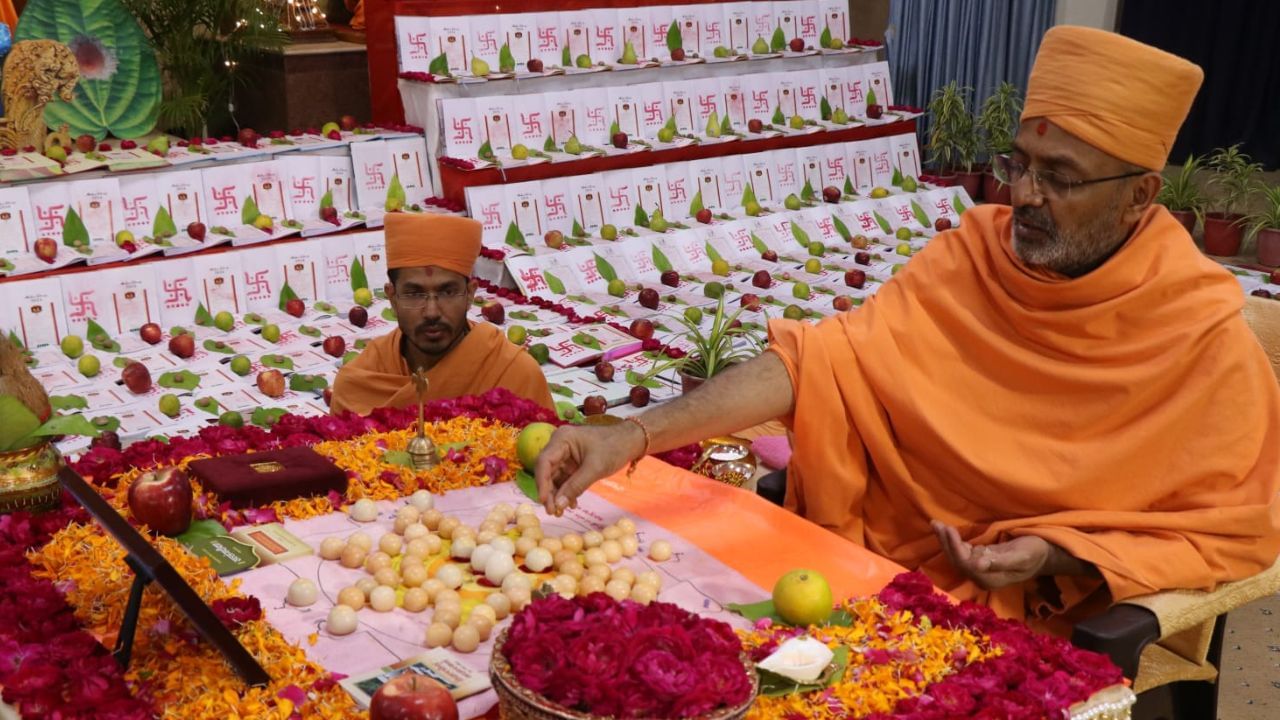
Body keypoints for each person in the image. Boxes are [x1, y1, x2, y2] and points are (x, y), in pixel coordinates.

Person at [534, 26, 1280, 633]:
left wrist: (1054, 555)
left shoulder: (1199, 335)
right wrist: (632, 435)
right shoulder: (970, 257)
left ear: (1140, 198)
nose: (1023, 196)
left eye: (1061, 176)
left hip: (1025, 619)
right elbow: (820, 362)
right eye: (1018, 163)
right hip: (863, 558)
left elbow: (1230, 527)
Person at [331, 213, 553, 415]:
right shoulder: (358, 383)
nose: (431, 312)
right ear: (392, 297)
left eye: (448, 292)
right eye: (414, 294)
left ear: (470, 294)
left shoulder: (513, 374)